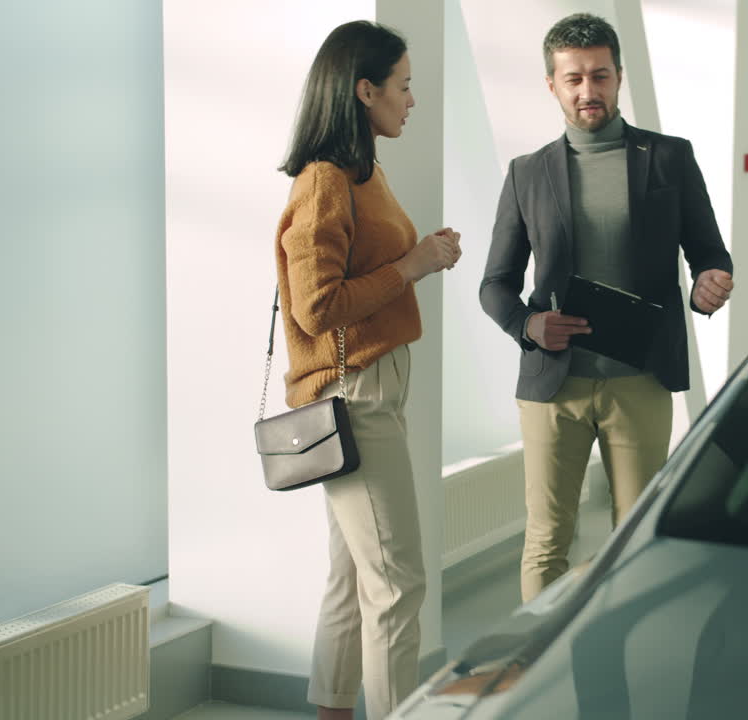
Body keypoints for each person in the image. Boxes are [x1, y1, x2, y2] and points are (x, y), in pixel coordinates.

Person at [479, 13, 734, 603]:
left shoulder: (669, 158)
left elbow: (709, 254)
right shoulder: (527, 173)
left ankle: (617, 668)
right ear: (553, 85)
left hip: (640, 380)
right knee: (546, 542)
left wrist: (708, 286)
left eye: (599, 75)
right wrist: (527, 324)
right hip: (553, 386)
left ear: (619, 77)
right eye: (573, 79)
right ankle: (539, 678)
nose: (587, 91)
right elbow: (495, 283)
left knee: (633, 538)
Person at [275, 20, 461, 720]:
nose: (411, 99)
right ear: (364, 91)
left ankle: (332, 711)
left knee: (355, 573)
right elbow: (317, 306)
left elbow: (367, 270)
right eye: (403, 86)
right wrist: (413, 266)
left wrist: (423, 254)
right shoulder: (324, 180)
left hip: (374, 391)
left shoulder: (366, 171)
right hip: (354, 396)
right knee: (398, 582)